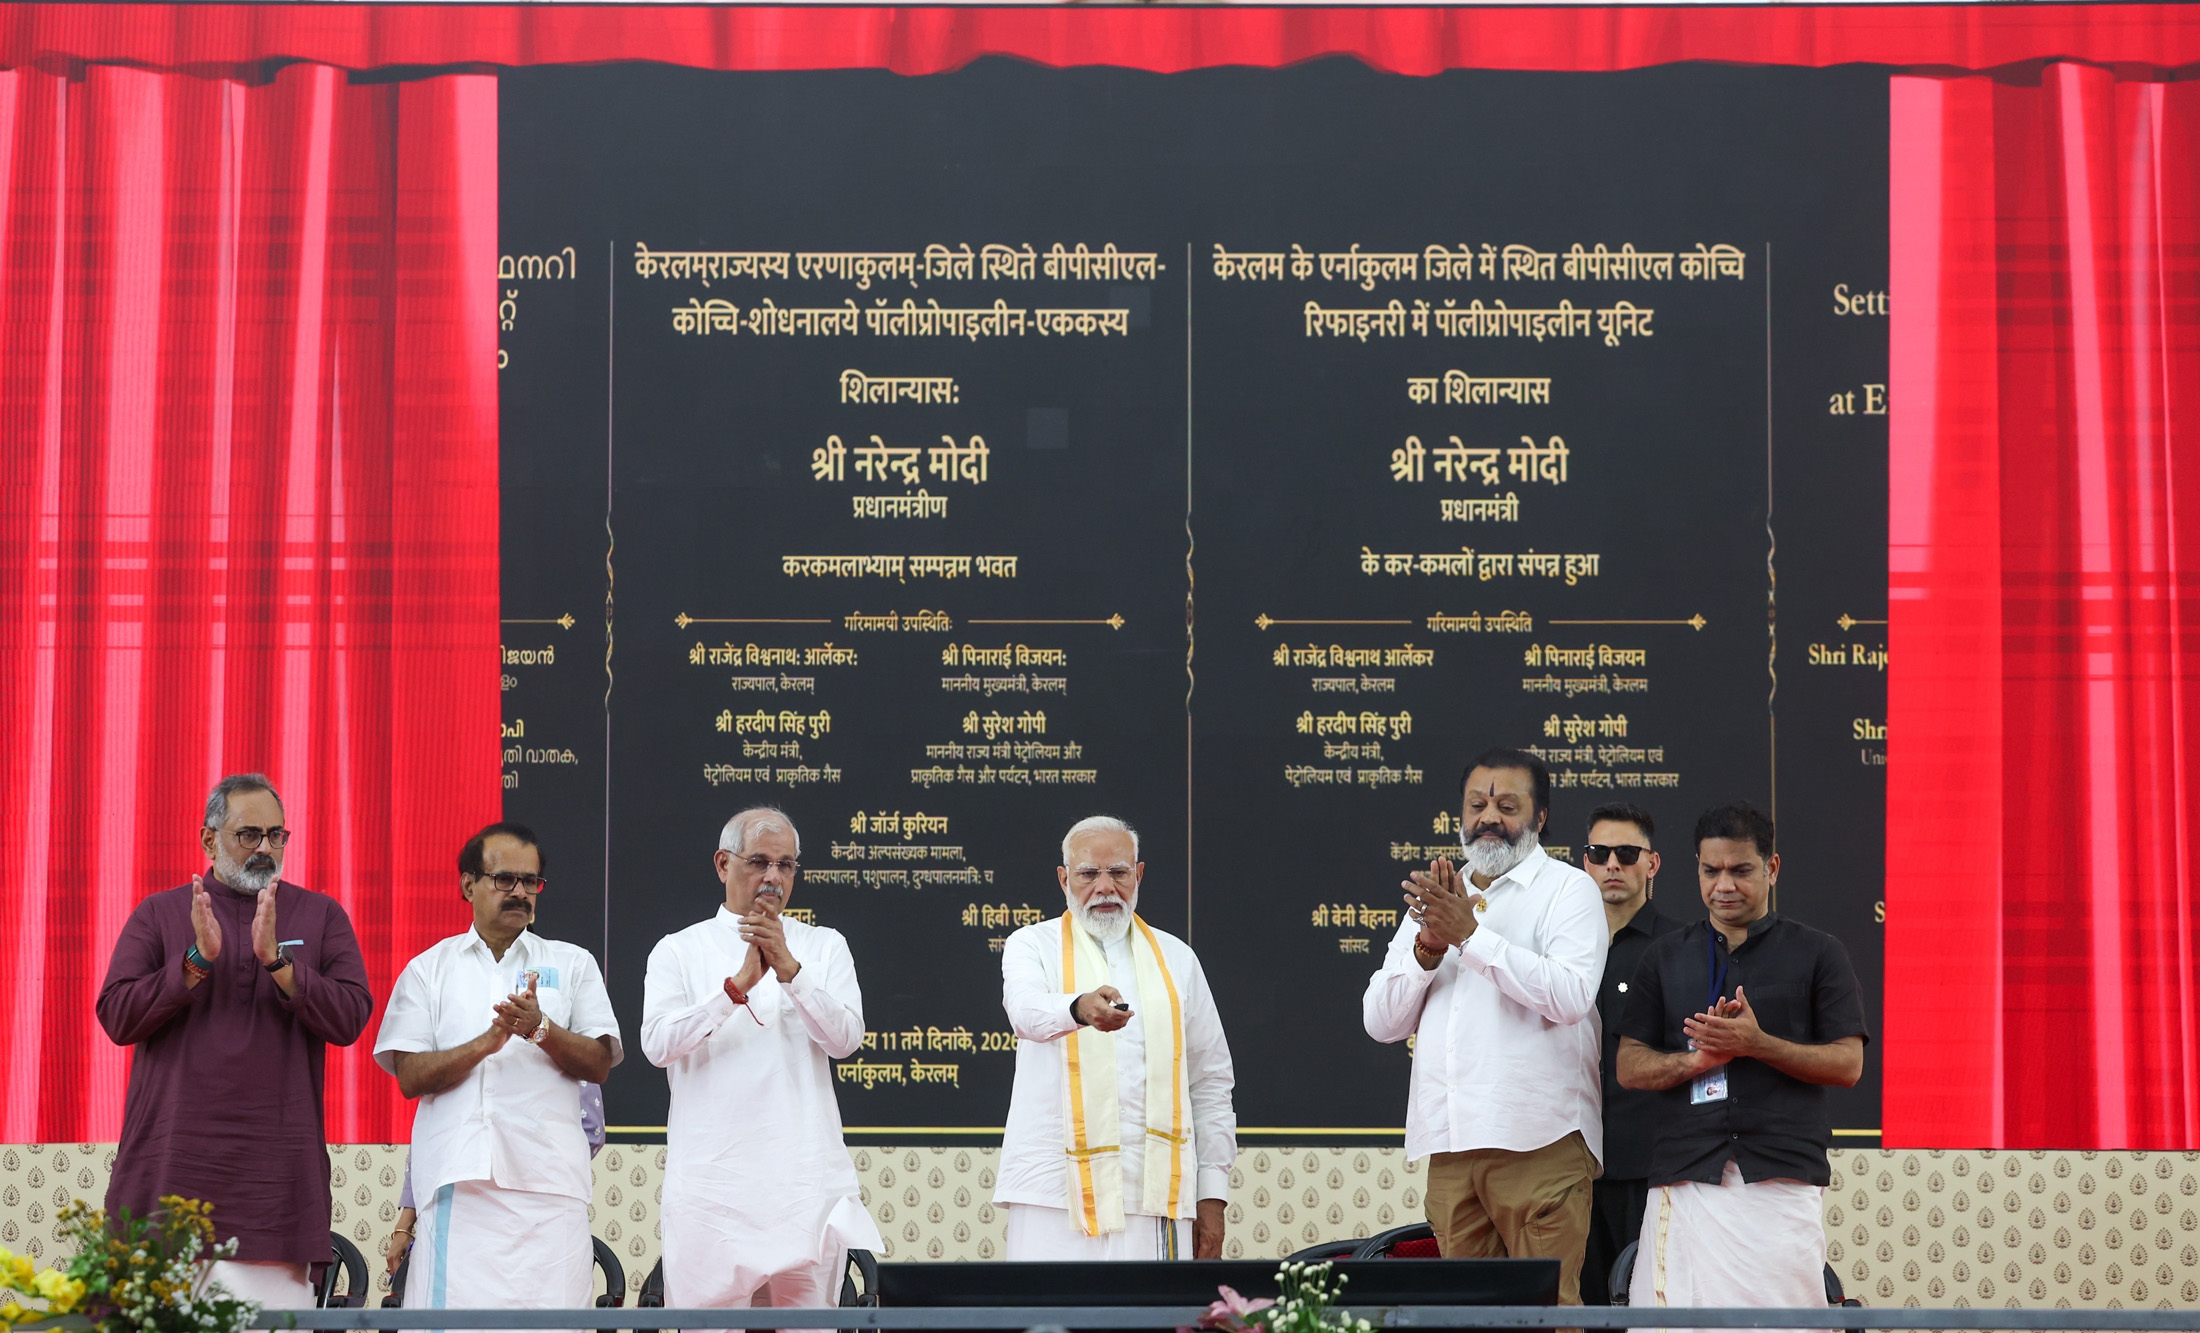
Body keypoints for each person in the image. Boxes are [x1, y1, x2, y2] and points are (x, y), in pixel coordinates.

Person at [97, 774, 375, 1308]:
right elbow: (117, 1016)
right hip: (171, 1178)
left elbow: (350, 1019)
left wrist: (279, 961)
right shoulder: (159, 913)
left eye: (277, 835)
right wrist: (196, 960)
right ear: (209, 839)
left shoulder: (320, 915)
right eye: (250, 835)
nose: (266, 849)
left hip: (276, 1187)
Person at [1362, 748, 1607, 1304]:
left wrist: (1469, 937)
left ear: (1540, 818)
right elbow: (1380, 1021)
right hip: (1451, 1146)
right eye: (1477, 805)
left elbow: (1570, 997)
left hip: (1538, 1143)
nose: (1488, 817)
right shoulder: (1434, 903)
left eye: (1507, 805)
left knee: (1545, 1316)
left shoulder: (1570, 891)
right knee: (1465, 1319)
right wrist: (1427, 947)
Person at [1616, 803, 1868, 1317]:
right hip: (1685, 1179)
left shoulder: (1819, 953)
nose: (1723, 885)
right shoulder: (1664, 957)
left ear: (1772, 869)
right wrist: (1696, 1062)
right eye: (1711, 871)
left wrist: (1757, 1045)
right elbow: (1629, 1066)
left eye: (1741, 870)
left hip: (1778, 1181)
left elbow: (1847, 1065)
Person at [642, 807, 881, 1320]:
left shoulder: (823, 946)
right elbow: (658, 1045)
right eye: (759, 862)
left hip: (804, 1188)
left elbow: (845, 1041)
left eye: (787, 865)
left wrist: (792, 972)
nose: (773, 876)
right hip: (713, 1191)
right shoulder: (679, 950)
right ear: (723, 864)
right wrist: (736, 988)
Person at [374, 822, 621, 1318]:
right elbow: (411, 1076)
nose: (520, 893)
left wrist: (541, 1029)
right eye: (504, 879)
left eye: (531, 882)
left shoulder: (573, 964)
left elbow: (600, 1063)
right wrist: (488, 1043)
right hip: (458, 1191)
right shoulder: (429, 969)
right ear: (468, 885)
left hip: (549, 1190)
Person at [995, 816, 1236, 1260]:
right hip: (1054, 1197)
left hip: (1157, 1197)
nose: (1105, 887)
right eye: (1089, 874)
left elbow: (1211, 1083)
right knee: (1050, 1328)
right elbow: (1025, 1012)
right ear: (1064, 878)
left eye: (1118, 873)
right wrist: (1077, 1008)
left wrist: (1212, 1197)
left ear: (1138, 875)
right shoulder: (1032, 944)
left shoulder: (1176, 958)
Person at [1578, 803, 1677, 1305]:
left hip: (1651, 1166)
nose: (1612, 863)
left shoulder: (1683, 948)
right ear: (1585, 862)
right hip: (1568, 1165)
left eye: (1627, 852)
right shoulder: (1560, 948)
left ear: (1652, 863)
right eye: (1600, 853)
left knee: (1652, 1306)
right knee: (1580, 1309)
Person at [385, 1083, 605, 1289]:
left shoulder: (561, 1045)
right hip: (456, 1227)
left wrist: (527, 1173)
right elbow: (431, 1139)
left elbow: (590, 1132)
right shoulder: (449, 1049)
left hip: (538, 1227)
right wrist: (404, 1226)